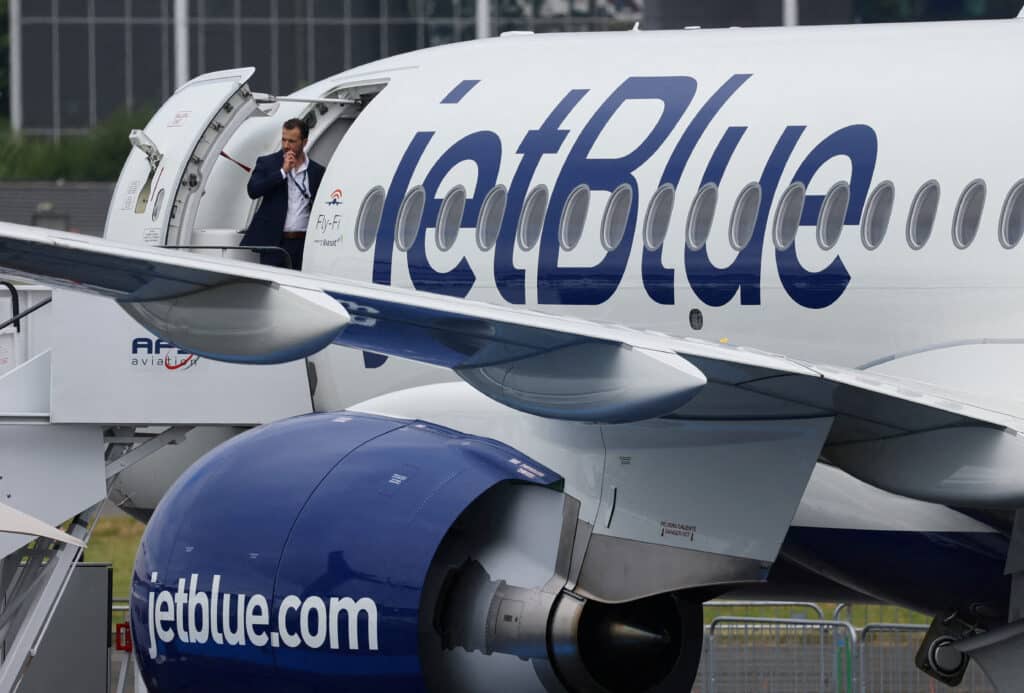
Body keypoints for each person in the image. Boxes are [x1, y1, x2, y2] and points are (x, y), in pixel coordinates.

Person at [241, 118, 325, 270]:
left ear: (304, 142)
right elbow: (253, 191)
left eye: (292, 141)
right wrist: (282, 172)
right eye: (284, 140)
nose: (286, 146)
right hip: (274, 241)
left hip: (303, 242)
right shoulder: (267, 163)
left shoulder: (316, 171)